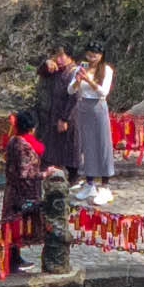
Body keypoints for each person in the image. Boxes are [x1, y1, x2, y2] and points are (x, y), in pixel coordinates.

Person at [0, 109, 43, 269]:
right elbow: (25, 172)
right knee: (16, 225)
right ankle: (12, 262)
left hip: (12, 190)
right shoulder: (24, 146)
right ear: (31, 128)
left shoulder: (13, 141)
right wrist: (43, 174)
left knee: (12, 225)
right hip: (22, 192)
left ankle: (14, 259)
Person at [71, 52, 115, 206]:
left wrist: (88, 80)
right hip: (83, 107)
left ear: (101, 55)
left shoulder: (106, 70)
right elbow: (71, 90)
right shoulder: (81, 68)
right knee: (87, 146)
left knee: (102, 145)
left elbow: (104, 92)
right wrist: (77, 81)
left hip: (98, 106)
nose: (92, 58)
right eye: (89, 55)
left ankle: (105, 186)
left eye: (95, 55)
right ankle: (89, 183)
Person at [33, 50, 78, 179]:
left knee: (70, 149)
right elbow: (41, 71)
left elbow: (74, 97)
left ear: (69, 56)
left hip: (69, 115)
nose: (58, 59)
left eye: (61, 56)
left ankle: (73, 179)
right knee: (52, 149)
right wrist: (46, 63)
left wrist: (65, 118)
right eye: (56, 56)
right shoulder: (57, 70)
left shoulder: (74, 71)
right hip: (52, 115)